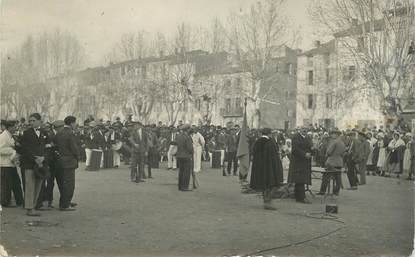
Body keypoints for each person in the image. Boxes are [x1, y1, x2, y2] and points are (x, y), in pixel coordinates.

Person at [20, 113, 51, 216]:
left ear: (39, 121)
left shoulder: (44, 133)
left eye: (33, 120)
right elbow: (25, 149)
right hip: (29, 163)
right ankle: (29, 208)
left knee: (38, 185)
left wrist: (43, 158)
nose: (31, 123)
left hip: (41, 164)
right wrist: (35, 158)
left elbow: (48, 147)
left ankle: (33, 206)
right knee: (30, 186)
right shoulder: (26, 133)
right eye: (30, 121)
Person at [249, 128, 283, 210]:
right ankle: (268, 201)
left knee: (264, 185)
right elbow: (274, 156)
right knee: (273, 184)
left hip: (260, 168)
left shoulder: (257, 142)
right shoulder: (270, 142)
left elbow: (253, 153)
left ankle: (266, 201)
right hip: (270, 168)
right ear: (269, 134)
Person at [54, 116, 80, 211]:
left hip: (61, 161)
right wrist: (77, 157)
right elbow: (74, 148)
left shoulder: (59, 133)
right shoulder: (70, 133)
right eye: (75, 123)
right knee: (70, 184)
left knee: (64, 183)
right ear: (72, 123)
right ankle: (65, 204)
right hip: (69, 161)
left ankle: (65, 202)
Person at [0, 120, 24, 207]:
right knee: (7, 184)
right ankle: (5, 202)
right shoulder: (3, 136)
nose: (16, 128)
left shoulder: (10, 136)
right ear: (9, 127)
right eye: (14, 126)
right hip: (5, 164)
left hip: (11, 163)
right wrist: (12, 151)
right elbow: (0, 149)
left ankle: (20, 201)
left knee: (16, 182)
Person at [317, 129, 346, 196]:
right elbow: (343, 153)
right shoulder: (342, 143)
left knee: (326, 177)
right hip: (339, 162)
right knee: (337, 178)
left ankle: (322, 191)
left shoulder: (334, 142)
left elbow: (329, 152)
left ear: (336, 135)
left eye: (333, 134)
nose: (332, 135)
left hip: (331, 162)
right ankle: (336, 192)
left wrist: (327, 155)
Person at [289, 127, 313, 204]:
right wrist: (304, 154)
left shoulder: (308, 138)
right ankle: (302, 197)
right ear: (300, 130)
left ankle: (298, 197)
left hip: (305, 162)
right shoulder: (296, 137)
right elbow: (295, 149)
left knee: (301, 179)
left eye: (306, 129)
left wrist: (313, 149)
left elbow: (310, 146)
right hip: (297, 161)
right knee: (300, 179)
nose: (304, 131)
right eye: (303, 129)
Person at [176, 124, 193, 191]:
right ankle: (185, 187)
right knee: (186, 172)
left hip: (179, 155)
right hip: (186, 156)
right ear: (187, 129)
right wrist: (192, 151)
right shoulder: (187, 137)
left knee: (181, 171)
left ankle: (180, 186)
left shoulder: (178, 136)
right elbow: (189, 148)